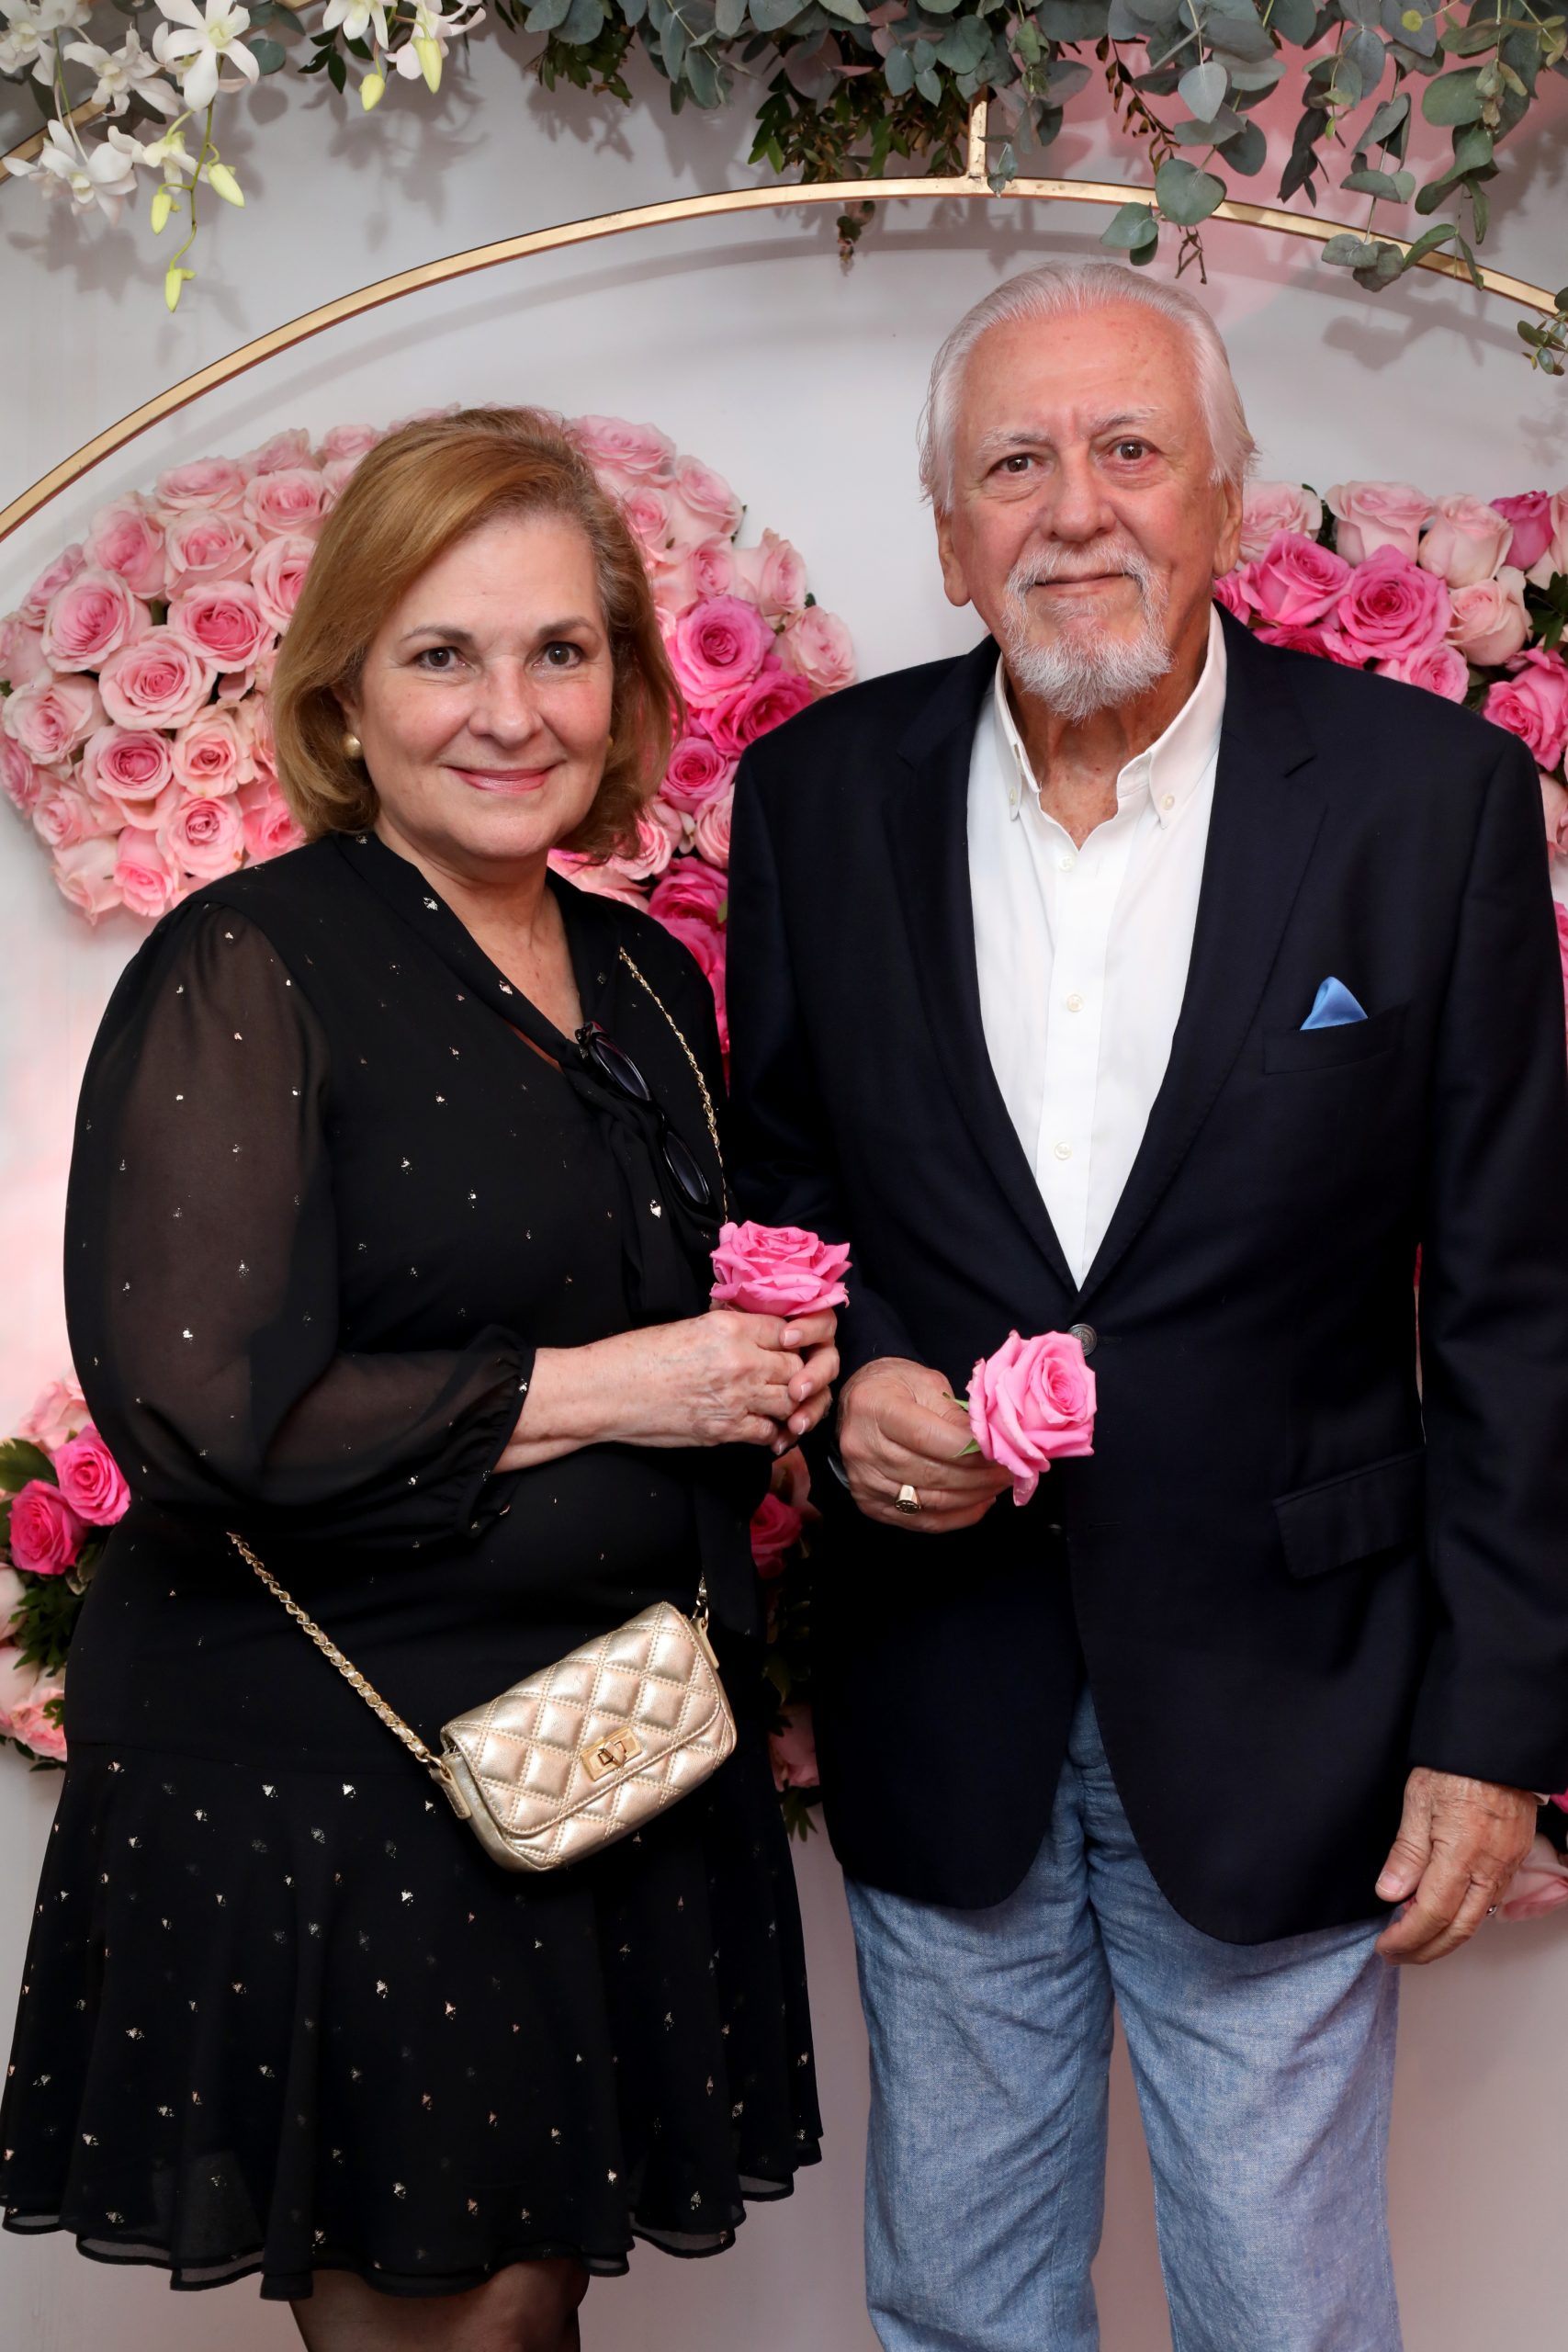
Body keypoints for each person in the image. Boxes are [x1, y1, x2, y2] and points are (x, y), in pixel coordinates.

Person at [726, 263, 1568, 2352]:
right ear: (948, 532)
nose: (1074, 508)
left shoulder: (1420, 800)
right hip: (942, 1681)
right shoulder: (818, 796)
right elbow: (784, 1199)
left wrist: (1490, 1730)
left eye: (1129, 449)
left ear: (1222, 499)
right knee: (962, 2305)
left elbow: (1512, 1295)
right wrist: (855, 1387)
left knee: (1286, 2316)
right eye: (1014, 463)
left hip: (1298, 1695)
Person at [0, 407, 835, 2350]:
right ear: (345, 691)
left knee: (526, 2313)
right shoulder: (250, 962)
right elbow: (200, 1414)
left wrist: (766, 1380)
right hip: (338, 1774)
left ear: (622, 683)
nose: (510, 711)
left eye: (560, 650)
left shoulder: (646, 981)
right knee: (466, 2328)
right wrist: (629, 1386)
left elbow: (664, 1317)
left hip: (595, 1745)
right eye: (443, 653)